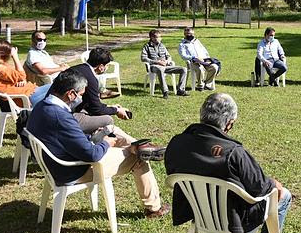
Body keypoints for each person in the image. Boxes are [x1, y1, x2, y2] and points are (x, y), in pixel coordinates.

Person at [165, 93, 292, 233]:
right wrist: (274, 184)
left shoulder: (176, 143)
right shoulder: (233, 152)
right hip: (233, 218)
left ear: (202, 114)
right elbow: (260, 188)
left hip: (198, 211)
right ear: (230, 123)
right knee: (283, 194)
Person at [27, 69, 170, 218]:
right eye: (81, 95)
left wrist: (95, 137)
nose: (80, 99)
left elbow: (67, 139)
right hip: (73, 171)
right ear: (70, 94)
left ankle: (138, 145)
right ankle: (154, 209)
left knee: (112, 130)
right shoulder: (61, 117)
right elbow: (92, 154)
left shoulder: (42, 106)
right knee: (138, 158)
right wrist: (106, 143)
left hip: (57, 165)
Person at [69, 48, 133, 136]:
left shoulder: (75, 68)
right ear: (101, 66)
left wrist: (110, 107)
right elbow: (96, 110)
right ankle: (103, 143)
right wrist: (117, 111)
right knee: (107, 120)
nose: (107, 68)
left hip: (55, 111)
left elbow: (91, 103)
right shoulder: (90, 79)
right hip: (65, 118)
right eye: (107, 65)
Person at [0, 40, 51, 107]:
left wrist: (21, 80)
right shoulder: (0, 69)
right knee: (57, 89)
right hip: (26, 97)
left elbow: (19, 77)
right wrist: (15, 56)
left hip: (28, 92)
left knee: (57, 87)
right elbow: (21, 75)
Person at [141, 29, 188, 99]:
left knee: (183, 69)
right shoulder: (147, 46)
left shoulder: (162, 45)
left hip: (166, 65)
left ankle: (180, 90)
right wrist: (157, 62)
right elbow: (143, 58)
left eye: (160, 37)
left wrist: (167, 61)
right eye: (158, 37)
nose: (160, 38)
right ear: (152, 38)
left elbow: (168, 56)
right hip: (154, 66)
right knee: (160, 69)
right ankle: (165, 91)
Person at [178, 27, 220, 91]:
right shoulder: (182, 44)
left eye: (190, 33)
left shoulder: (197, 41)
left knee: (215, 67)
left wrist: (207, 59)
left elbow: (204, 50)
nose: (189, 35)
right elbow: (183, 56)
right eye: (187, 34)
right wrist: (193, 58)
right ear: (184, 34)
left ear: (193, 33)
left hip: (204, 60)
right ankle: (200, 85)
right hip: (193, 62)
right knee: (200, 68)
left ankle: (207, 84)